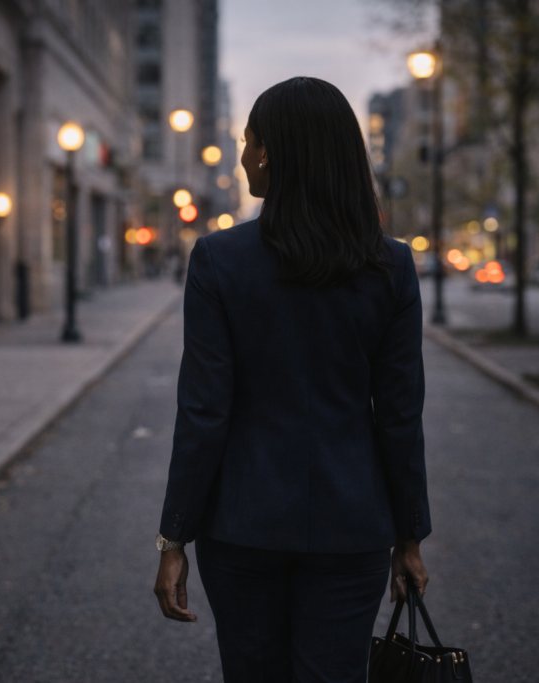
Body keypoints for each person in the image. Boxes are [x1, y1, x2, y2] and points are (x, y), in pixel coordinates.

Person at [152, 77, 431, 683]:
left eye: (247, 141)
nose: (242, 155)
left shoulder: (219, 261)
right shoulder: (390, 267)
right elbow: (401, 414)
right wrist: (410, 536)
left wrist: (174, 536)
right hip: (351, 525)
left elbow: (204, 411)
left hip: (243, 525)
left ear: (269, 152)